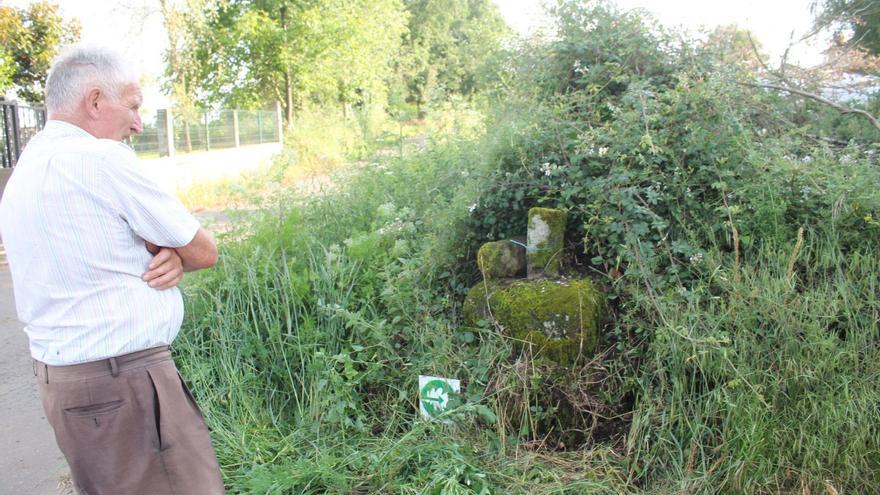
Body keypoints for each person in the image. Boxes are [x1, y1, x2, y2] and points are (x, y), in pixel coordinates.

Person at [0, 45, 225, 494]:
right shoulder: (102, 160)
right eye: (135, 105)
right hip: (126, 385)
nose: (139, 124)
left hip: (65, 386)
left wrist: (167, 256)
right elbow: (203, 250)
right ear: (96, 101)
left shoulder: (25, 170)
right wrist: (177, 255)